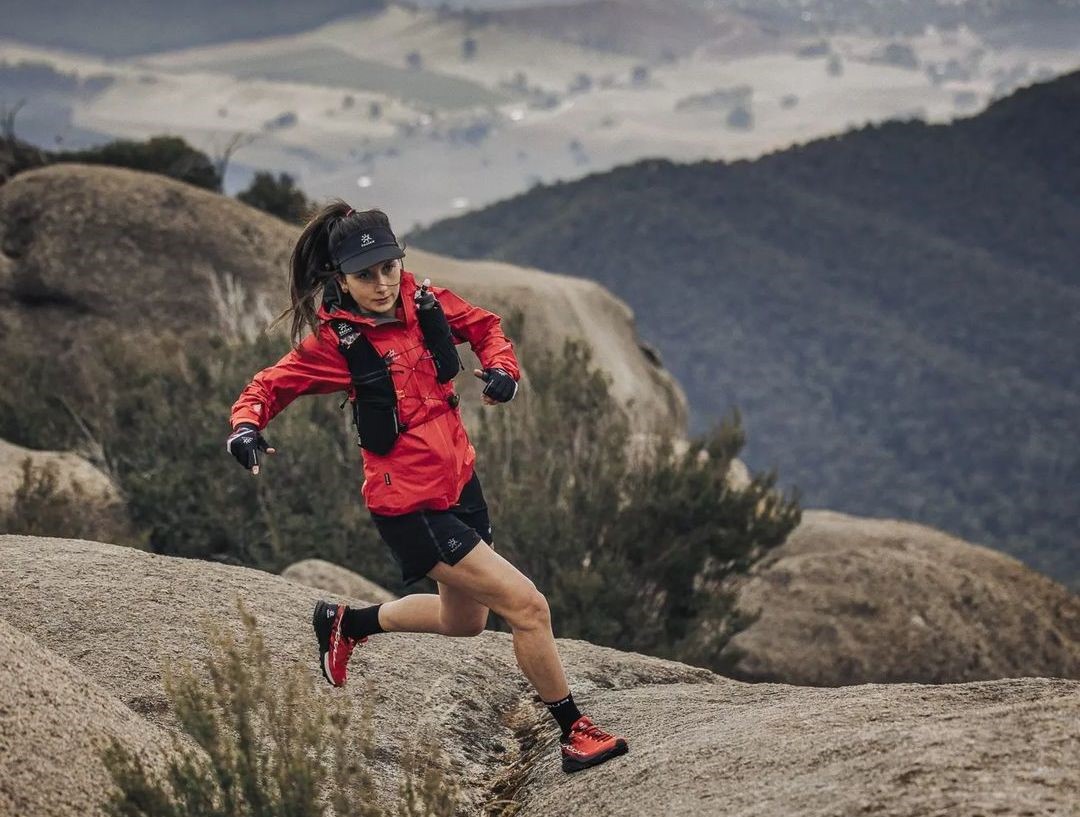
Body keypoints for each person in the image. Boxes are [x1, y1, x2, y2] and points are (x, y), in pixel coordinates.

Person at [226, 202, 628, 773]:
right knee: (528, 607)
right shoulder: (336, 344)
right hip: (410, 506)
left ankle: (346, 623)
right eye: (366, 275)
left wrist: (505, 373)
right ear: (341, 279)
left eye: (389, 266)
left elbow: (487, 328)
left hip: (460, 485)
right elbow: (270, 385)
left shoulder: (426, 303)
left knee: (464, 623)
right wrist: (245, 427)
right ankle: (574, 731)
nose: (383, 282)